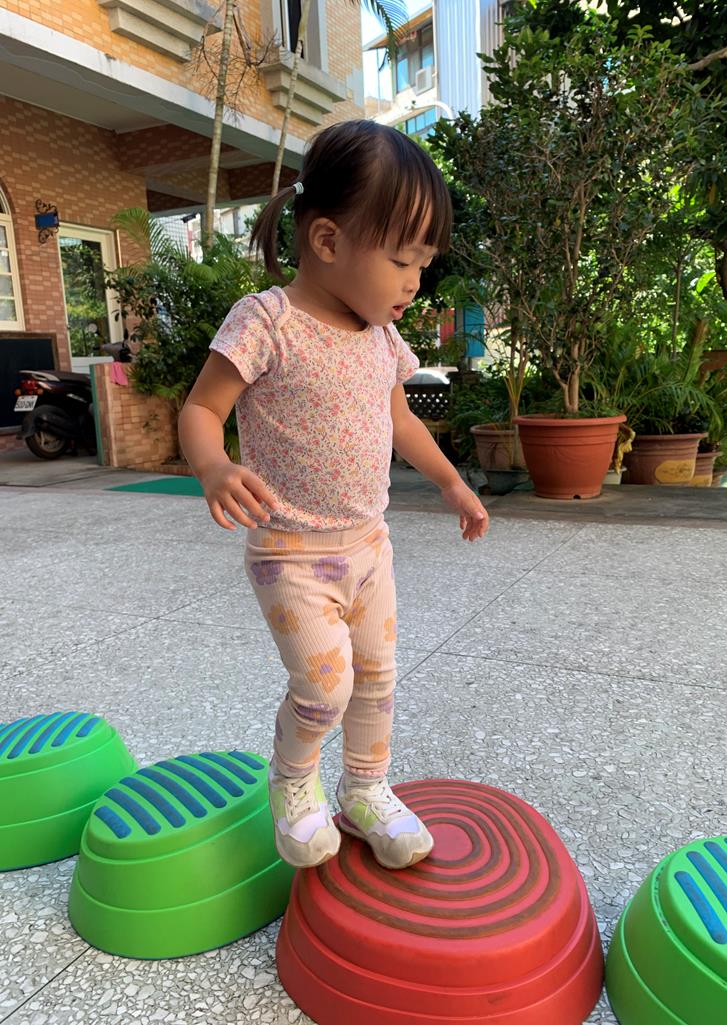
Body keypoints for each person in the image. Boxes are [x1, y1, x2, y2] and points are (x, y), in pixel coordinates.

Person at [178, 119, 489, 872]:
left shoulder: (382, 339)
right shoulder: (267, 321)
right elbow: (201, 408)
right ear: (326, 240)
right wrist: (214, 467)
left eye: (423, 263)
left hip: (368, 548)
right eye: (401, 260)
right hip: (290, 551)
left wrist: (451, 481)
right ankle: (293, 779)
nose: (415, 281)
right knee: (324, 686)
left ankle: (366, 789)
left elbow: (400, 420)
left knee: (377, 679)